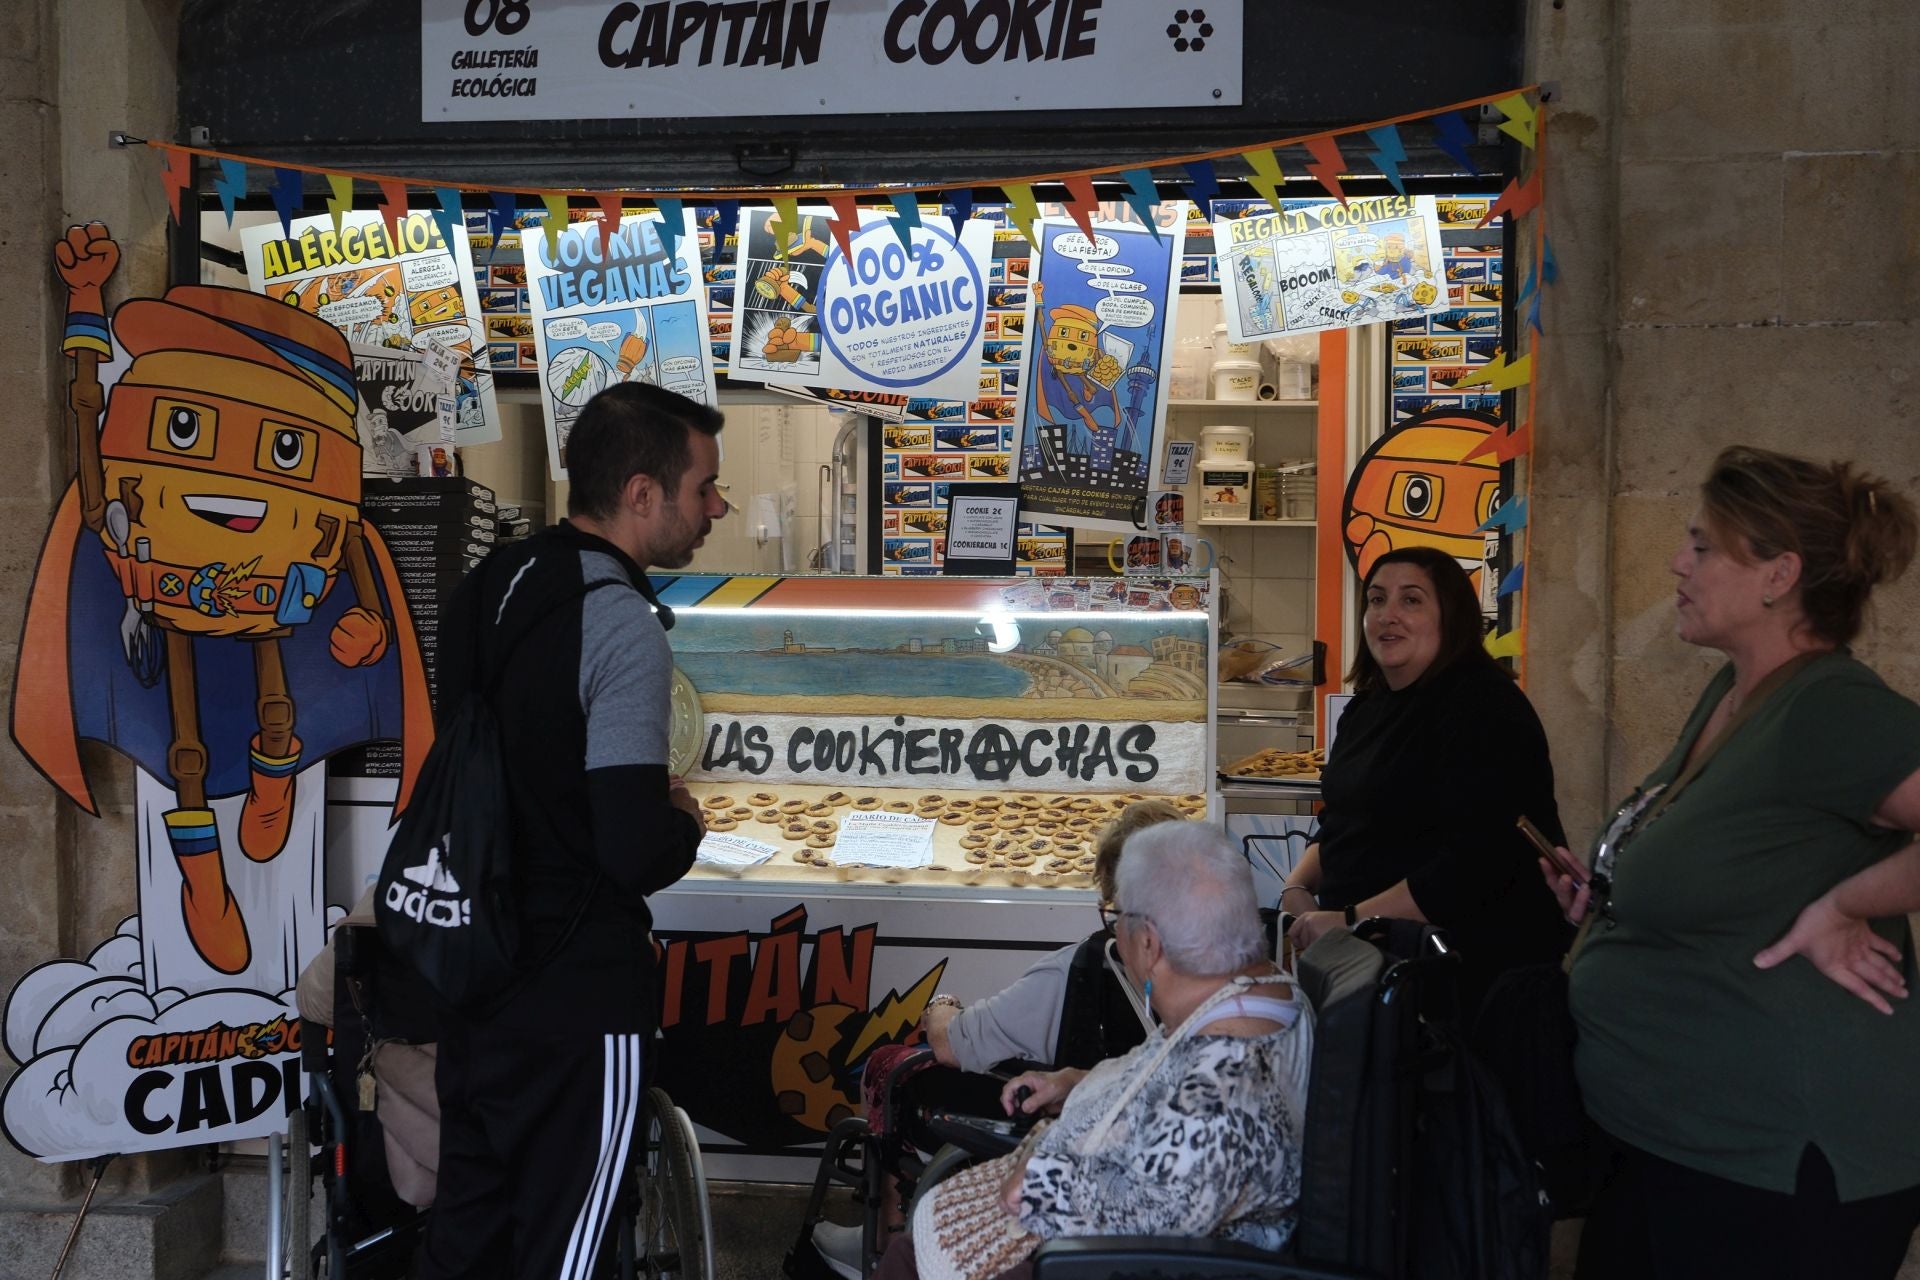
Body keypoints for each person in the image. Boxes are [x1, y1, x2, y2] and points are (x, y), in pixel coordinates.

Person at [1551, 446, 1920, 1280]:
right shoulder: (1735, 692)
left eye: (1703, 545)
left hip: (1774, 1169)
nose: (1678, 564)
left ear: (1778, 575)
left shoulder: (1828, 706)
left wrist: (1849, 903)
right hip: (1674, 1149)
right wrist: (1614, 896)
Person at [417, 383, 726, 1279]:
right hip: (577, 1002)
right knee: (570, 1255)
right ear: (640, 494)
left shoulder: (489, 586)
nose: (716, 508)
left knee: (468, 1241)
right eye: (703, 487)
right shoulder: (621, 621)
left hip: (475, 980)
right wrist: (683, 819)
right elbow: (631, 847)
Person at [873, 822, 1313, 1280]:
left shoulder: (1221, 1097)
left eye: (1117, 918)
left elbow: (1129, 1208)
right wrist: (1078, 1081)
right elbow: (1163, 1083)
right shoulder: (1260, 994)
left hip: (1126, 1263)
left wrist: (1039, 1164)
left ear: (1148, 943)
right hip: (1140, 1240)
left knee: (908, 1261)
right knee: (910, 1253)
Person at [811, 801, 1179, 1279]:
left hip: (1089, 1176)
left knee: (893, 1064)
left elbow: (953, 1044)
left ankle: (885, 1231)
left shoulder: (1077, 971)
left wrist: (940, 1005)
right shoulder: (1232, 986)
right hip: (1112, 1162)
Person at [1285, 545, 1569, 1010]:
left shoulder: (1484, 707)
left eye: (1411, 600)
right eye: (1376, 600)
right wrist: (1296, 888)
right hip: (1368, 966)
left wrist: (1352, 918)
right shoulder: (1366, 708)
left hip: (1460, 979)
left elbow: (1476, 861)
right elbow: (1344, 822)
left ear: (1450, 616)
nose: (1387, 615)